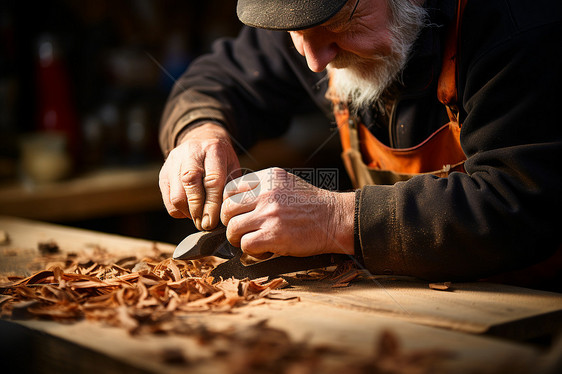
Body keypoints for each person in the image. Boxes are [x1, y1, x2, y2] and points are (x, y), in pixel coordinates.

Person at [158, 0, 562, 288]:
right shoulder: (309, 20)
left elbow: (522, 199)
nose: (315, 60)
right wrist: (199, 131)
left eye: (338, 21)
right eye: (298, 33)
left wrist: (335, 219)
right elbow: (218, 79)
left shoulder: (517, 25)